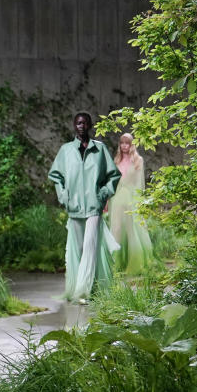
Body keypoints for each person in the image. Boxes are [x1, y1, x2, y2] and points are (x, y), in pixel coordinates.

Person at [48, 112, 120, 302]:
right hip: (74, 207)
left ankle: (83, 293)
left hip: (94, 207)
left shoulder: (100, 149)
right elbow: (56, 176)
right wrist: (64, 196)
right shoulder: (66, 150)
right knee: (77, 250)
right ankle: (85, 288)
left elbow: (114, 175)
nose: (82, 125)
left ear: (90, 125)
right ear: (74, 125)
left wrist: (103, 194)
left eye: (85, 122)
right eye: (79, 122)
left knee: (89, 248)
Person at [107, 133, 153, 274]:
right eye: (122, 143)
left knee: (133, 230)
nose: (124, 146)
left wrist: (138, 203)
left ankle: (136, 263)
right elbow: (112, 182)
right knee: (116, 230)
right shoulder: (116, 160)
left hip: (132, 200)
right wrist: (108, 200)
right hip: (117, 199)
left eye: (127, 143)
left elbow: (139, 184)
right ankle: (116, 263)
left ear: (132, 144)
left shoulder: (138, 160)